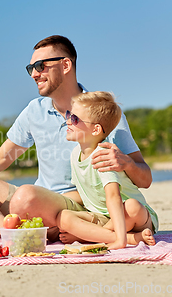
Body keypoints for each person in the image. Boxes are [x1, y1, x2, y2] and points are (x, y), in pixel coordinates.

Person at [0, 35, 152, 240]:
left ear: (66, 65)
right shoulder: (34, 111)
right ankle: (5, 228)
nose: (34, 74)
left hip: (73, 206)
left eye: (40, 66)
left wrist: (127, 163)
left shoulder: (102, 113)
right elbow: (0, 159)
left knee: (25, 196)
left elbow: (145, 179)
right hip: (34, 200)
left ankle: (23, 228)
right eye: (30, 68)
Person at [55, 91, 157, 249]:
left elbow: (114, 197)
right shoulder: (75, 154)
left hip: (134, 218)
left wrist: (118, 241)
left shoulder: (103, 155)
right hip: (103, 217)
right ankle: (131, 238)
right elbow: (83, 192)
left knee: (131, 206)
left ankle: (116, 238)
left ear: (95, 130)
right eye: (69, 114)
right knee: (64, 217)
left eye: (74, 118)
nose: (68, 121)